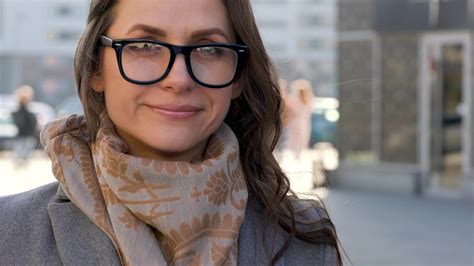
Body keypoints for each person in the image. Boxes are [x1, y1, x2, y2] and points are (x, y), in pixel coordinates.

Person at [0, 1, 342, 265]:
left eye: (209, 49)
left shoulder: (303, 239)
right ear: (95, 68)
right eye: (144, 45)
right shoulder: (9, 232)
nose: (179, 79)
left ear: (238, 77)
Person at [283, 79, 314, 159]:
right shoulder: (307, 100)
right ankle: (296, 156)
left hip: (297, 124)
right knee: (298, 141)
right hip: (299, 124)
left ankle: (296, 156)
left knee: (295, 141)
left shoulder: (299, 100)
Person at [11, 85, 38, 167]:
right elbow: (22, 121)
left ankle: (21, 162)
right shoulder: (22, 109)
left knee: (24, 150)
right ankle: (19, 162)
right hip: (24, 133)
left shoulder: (26, 108)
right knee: (22, 150)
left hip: (26, 133)